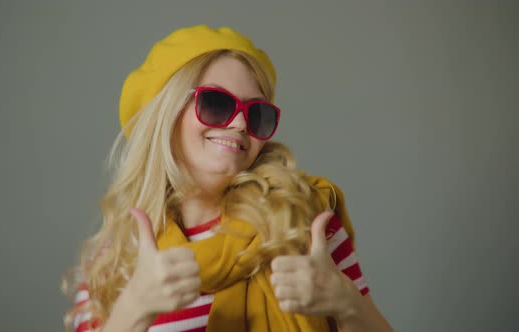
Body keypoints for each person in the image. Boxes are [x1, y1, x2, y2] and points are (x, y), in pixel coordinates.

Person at [61, 25, 393, 332]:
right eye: (217, 103)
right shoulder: (116, 256)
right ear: (166, 113)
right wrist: (134, 308)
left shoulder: (301, 225)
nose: (238, 124)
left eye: (255, 113)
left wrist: (346, 303)